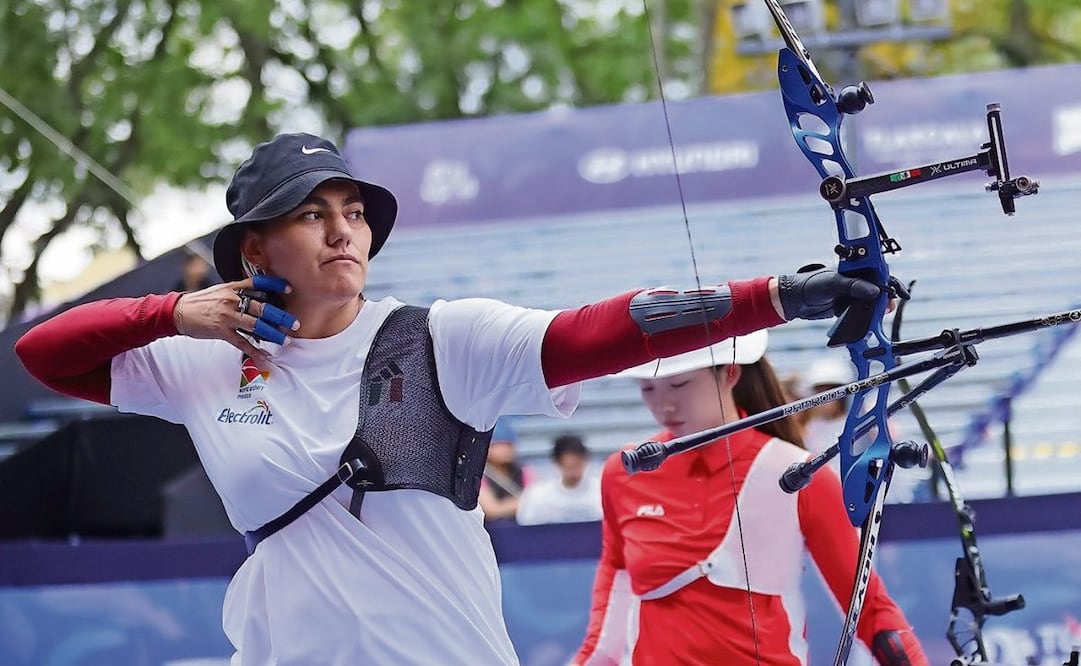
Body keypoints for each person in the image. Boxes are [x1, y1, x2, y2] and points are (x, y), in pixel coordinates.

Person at [15, 131, 883, 666]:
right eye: (310, 214)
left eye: (352, 210)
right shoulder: (204, 362)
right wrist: (172, 311)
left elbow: (595, 332)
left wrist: (776, 296)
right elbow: (42, 354)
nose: (342, 229)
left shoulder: (441, 339)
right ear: (255, 249)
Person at [572, 330, 927, 665]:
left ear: (730, 373)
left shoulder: (798, 474)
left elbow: (870, 609)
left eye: (680, 384)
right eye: (647, 389)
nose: (663, 405)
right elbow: (607, 621)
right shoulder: (625, 472)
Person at [516, 433, 602, 525]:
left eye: (577, 463)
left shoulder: (601, 490)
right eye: (569, 465)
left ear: (585, 460)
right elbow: (526, 525)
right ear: (557, 462)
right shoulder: (538, 495)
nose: (573, 469)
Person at [478, 419, 533, 522]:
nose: (505, 450)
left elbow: (537, 502)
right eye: (498, 445)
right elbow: (492, 510)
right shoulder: (478, 475)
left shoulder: (524, 471)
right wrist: (524, 503)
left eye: (508, 445)